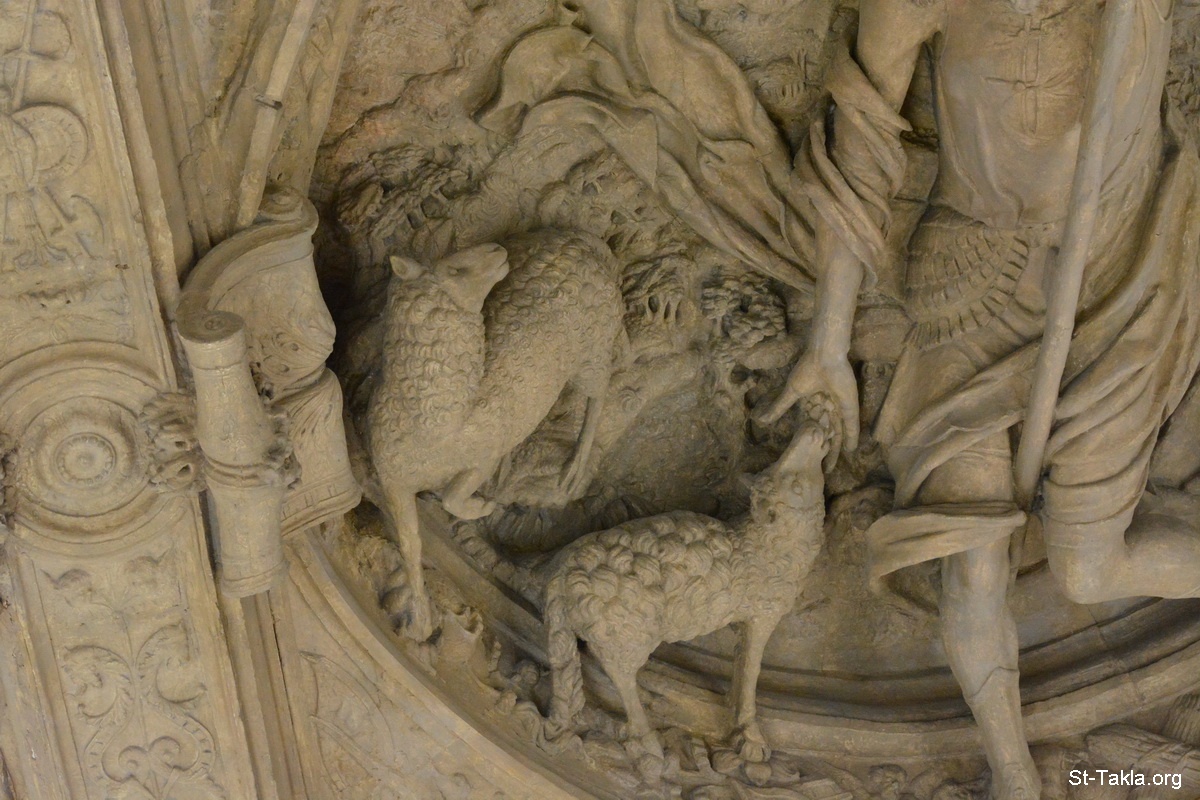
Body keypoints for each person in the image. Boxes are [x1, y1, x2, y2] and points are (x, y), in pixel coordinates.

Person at [759, 0, 1200, 796]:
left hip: (1114, 283)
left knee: (1088, 572)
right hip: (970, 287)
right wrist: (827, 343)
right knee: (971, 562)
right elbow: (859, 159)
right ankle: (1013, 771)